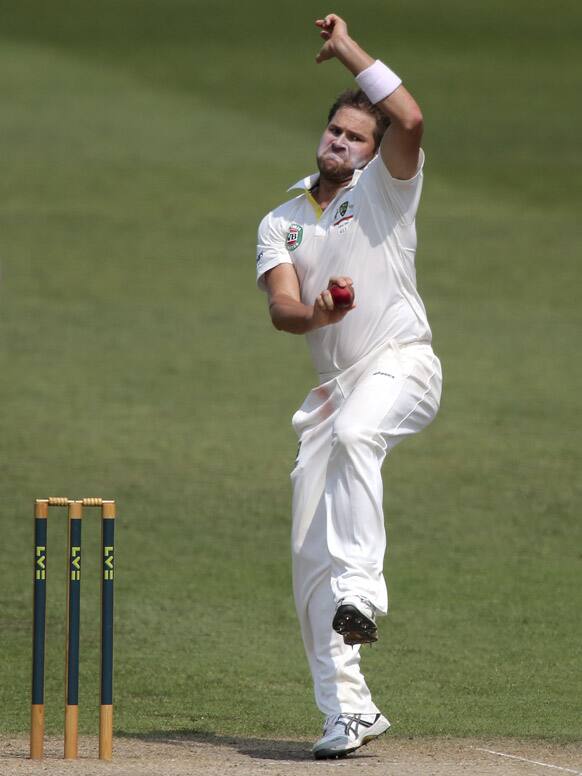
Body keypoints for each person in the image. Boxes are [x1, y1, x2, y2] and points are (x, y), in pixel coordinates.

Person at [255, 13, 442, 760]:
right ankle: (348, 712)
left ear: (372, 154)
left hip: (403, 365)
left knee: (365, 434)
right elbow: (281, 310)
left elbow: (412, 116)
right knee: (307, 556)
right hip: (334, 390)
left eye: (356, 137)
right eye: (335, 131)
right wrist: (318, 311)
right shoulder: (281, 219)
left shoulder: (390, 192)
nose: (341, 142)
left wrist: (347, 50)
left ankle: (364, 591)